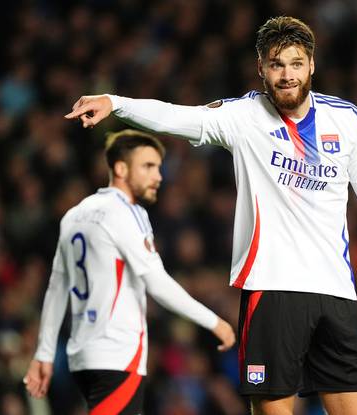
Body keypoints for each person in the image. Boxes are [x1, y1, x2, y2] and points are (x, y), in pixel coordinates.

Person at [64, 16, 357, 415]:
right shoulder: (243, 117)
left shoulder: (346, 120)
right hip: (271, 292)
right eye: (276, 64)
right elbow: (176, 117)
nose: (286, 75)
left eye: (295, 63)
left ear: (311, 66)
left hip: (335, 293)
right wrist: (116, 104)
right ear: (261, 69)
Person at [23, 130, 235, 414]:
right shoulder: (127, 213)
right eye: (147, 166)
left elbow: (57, 288)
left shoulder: (75, 214)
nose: (157, 176)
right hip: (117, 351)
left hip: (83, 354)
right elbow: (157, 283)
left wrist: (45, 352)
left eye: (158, 167)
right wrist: (213, 321)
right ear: (121, 169)